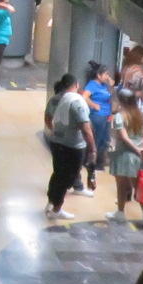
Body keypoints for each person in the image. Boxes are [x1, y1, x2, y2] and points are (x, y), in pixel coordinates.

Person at [43, 72, 94, 219]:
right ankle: (57, 209)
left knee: (58, 173)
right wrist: (93, 149)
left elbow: (47, 118)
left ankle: (51, 202)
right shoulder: (77, 102)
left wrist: (56, 131)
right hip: (73, 146)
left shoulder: (55, 99)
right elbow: (86, 128)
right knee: (67, 177)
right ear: (76, 85)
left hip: (56, 142)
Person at [106, 89, 143, 223]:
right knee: (139, 187)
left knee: (121, 186)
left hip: (123, 155)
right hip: (139, 157)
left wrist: (137, 149)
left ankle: (120, 212)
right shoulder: (141, 115)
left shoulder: (120, 116)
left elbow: (123, 137)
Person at [82, 63, 115, 194]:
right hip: (98, 116)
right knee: (96, 140)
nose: (108, 76)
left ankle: (100, 162)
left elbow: (111, 96)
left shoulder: (105, 85)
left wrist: (111, 86)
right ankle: (92, 163)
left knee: (105, 140)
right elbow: (84, 96)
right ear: (99, 75)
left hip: (106, 116)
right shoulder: (92, 85)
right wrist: (94, 105)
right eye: (106, 74)